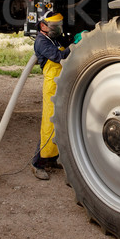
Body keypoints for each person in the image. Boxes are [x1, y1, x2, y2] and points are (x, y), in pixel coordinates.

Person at [31, 11, 70, 180]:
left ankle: (52, 159)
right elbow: (59, 56)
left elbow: (66, 44)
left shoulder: (53, 38)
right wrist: (75, 44)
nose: (58, 29)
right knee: (49, 125)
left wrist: (75, 40)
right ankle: (37, 164)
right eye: (55, 27)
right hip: (51, 86)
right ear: (43, 26)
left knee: (60, 122)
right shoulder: (41, 41)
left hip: (60, 84)